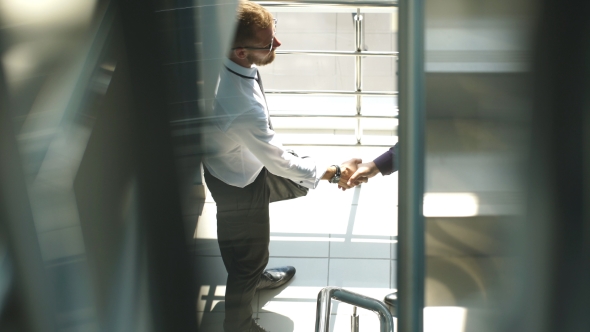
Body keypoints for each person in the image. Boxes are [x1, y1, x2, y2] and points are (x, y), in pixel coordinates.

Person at [202, 1, 363, 331]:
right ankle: (239, 322)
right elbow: (279, 160)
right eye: (267, 42)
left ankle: (252, 275)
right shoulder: (241, 106)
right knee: (250, 256)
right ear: (240, 52)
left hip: (231, 167)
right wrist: (333, 171)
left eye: (273, 32)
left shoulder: (221, 60)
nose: (277, 44)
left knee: (240, 239)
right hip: (240, 185)